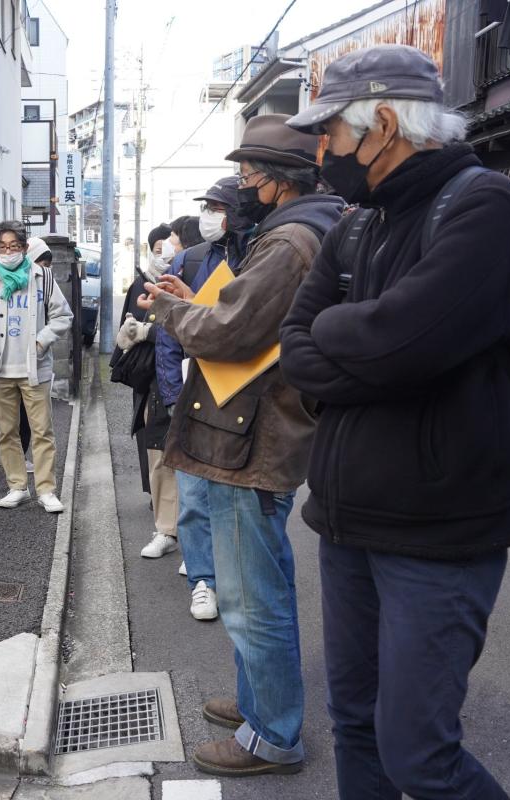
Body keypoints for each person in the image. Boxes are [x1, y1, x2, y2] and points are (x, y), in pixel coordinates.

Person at [280, 45, 510, 799]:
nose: (323, 152)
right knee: (353, 722)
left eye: (329, 134)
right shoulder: (356, 225)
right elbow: (299, 349)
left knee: (419, 753)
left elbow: (402, 342)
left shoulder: (484, 204)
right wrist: (366, 340)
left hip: (440, 532)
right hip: (346, 521)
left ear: (383, 123)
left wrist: (352, 335)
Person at [141, 114, 343, 777]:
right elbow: (244, 316)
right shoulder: (308, 227)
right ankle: (262, 703)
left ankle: (273, 735)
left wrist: (171, 310)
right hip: (262, 426)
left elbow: (230, 333)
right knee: (264, 582)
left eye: (249, 177)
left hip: (251, 432)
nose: (241, 189)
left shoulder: (288, 243)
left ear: (278, 182)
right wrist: (192, 300)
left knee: (253, 595)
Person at [156, 176, 242, 621]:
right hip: (193, 390)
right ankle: (203, 580)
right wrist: (171, 392)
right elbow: (168, 329)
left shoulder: (258, 256)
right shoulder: (189, 259)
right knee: (192, 493)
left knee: (235, 497)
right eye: (205, 206)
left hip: (241, 392)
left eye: (218, 207)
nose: (209, 215)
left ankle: (226, 574)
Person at [0, 225, 73, 512]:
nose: (8, 252)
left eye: (14, 246)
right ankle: (17, 487)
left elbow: (62, 316)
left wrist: (41, 342)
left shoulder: (43, 277)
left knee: (42, 431)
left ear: (24, 248)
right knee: (7, 433)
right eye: (2, 247)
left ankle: (46, 490)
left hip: (34, 369)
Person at [0, 238, 59, 478]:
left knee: (29, 419)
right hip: (1, 364)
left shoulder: (43, 285)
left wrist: (41, 342)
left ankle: (21, 457)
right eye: (42, 262)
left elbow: (57, 318)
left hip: (31, 363)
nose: (45, 268)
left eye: (48, 264)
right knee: (2, 419)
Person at [113, 223, 178, 560]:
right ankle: (166, 528)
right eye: (160, 246)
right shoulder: (144, 280)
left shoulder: (192, 275)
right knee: (156, 452)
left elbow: (194, 325)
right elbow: (130, 319)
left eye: (172, 244)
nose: (164, 251)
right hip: (153, 379)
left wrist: (147, 331)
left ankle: (195, 543)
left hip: (188, 378)